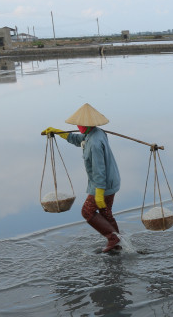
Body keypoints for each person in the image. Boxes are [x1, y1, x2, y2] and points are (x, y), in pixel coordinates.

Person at [43, 103, 121, 252]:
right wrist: (60, 133)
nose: (78, 125)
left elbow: (99, 169)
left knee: (87, 212)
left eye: (80, 123)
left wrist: (99, 191)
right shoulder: (95, 133)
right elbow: (80, 140)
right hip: (111, 181)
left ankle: (113, 238)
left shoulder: (95, 143)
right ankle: (118, 242)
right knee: (105, 213)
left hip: (103, 184)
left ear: (87, 124)